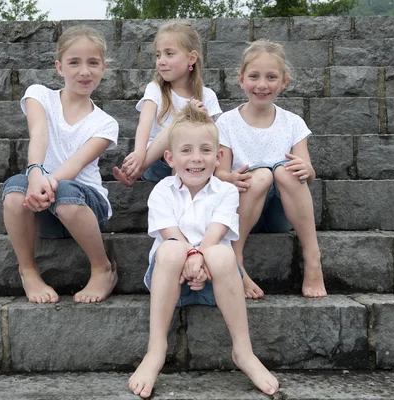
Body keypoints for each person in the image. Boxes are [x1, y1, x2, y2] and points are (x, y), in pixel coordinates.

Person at [128, 102, 279, 398]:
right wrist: (191, 257)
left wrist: (200, 258)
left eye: (205, 150)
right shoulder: (162, 191)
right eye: (186, 150)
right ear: (169, 158)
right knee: (171, 249)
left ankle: (243, 351)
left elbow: (216, 233)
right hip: (172, 280)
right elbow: (170, 233)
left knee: (222, 252)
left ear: (218, 156)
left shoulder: (225, 191)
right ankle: (156, 351)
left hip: (216, 281)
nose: (196, 159)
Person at [1, 26, 119, 304]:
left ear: (103, 68)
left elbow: (76, 164)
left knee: (65, 192)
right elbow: (39, 135)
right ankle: (28, 271)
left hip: (85, 207)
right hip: (41, 208)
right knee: (14, 191)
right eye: (74, 62)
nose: (84, 71)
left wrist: (46, 184)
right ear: (59, 67)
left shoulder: (105, 123)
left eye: (93, 63)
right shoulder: (38, 95)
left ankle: (101, 268)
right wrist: (34, 174)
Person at [215, 40, 327, 299]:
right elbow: (219, 173)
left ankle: (312, 259)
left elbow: (308, 173)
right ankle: (236, 259)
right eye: (254, 76)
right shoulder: (227, 123)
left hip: (281, 212)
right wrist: (230, 178)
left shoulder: (292, 123)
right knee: (262, 173)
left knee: (285, 171)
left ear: (283, 82)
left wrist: (306, 169)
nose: (262, 85)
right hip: (243, 206)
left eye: (271, 77)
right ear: (241, 79)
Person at [113, 20, 222, 186]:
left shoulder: (208, 95)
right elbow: (144, 123)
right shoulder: (155, 89)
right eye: (158, 55)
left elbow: (212, 139)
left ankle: (179, 201)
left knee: (189, 129)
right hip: (156, 161)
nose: (161, 61)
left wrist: (203, 118)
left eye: (169, 54)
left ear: (191, 58)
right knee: (177, 126)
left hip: (192, 161)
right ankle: (138, 170)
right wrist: (139, 154)